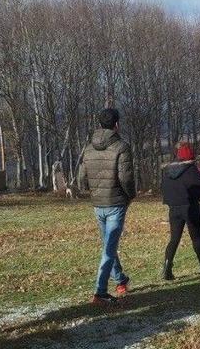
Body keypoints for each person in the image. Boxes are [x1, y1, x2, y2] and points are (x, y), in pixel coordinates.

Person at [77, 108, 136, 304]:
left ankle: (120, 280)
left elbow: (81, 178)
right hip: (116, 202)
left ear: (100, 124)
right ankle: (100, 292)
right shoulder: (122, 147)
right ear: (117, 125)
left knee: (108, 245)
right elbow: (125, 178)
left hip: (98, 203)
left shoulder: (87, 148)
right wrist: (130, 195)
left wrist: (91, 191)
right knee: (109, 248)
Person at [160, 142, 200, 279]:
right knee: (196, 237)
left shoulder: (167, 171)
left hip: (174, 208)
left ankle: (167, 266)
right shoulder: (191, 169)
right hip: (190, 207)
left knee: (174, 238)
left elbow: (164, 189)